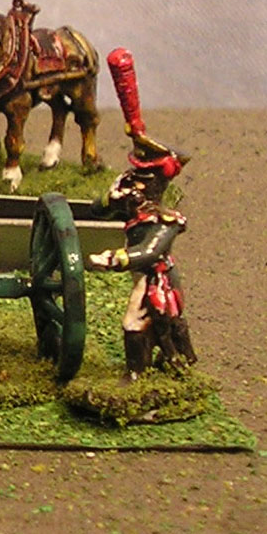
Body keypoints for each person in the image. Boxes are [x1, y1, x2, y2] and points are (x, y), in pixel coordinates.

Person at [88, 47, 196, 381]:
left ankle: (136, 376)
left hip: (155, 278)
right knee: (162, 328)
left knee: (136, 322)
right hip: (143, 277)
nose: (133, 183)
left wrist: (115, 259)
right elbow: (97, 211)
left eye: (141, 179)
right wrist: (110, 198)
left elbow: (149, 252)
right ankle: (173, 362)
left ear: (156, 184)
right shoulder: (132, 202)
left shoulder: (164, 222)